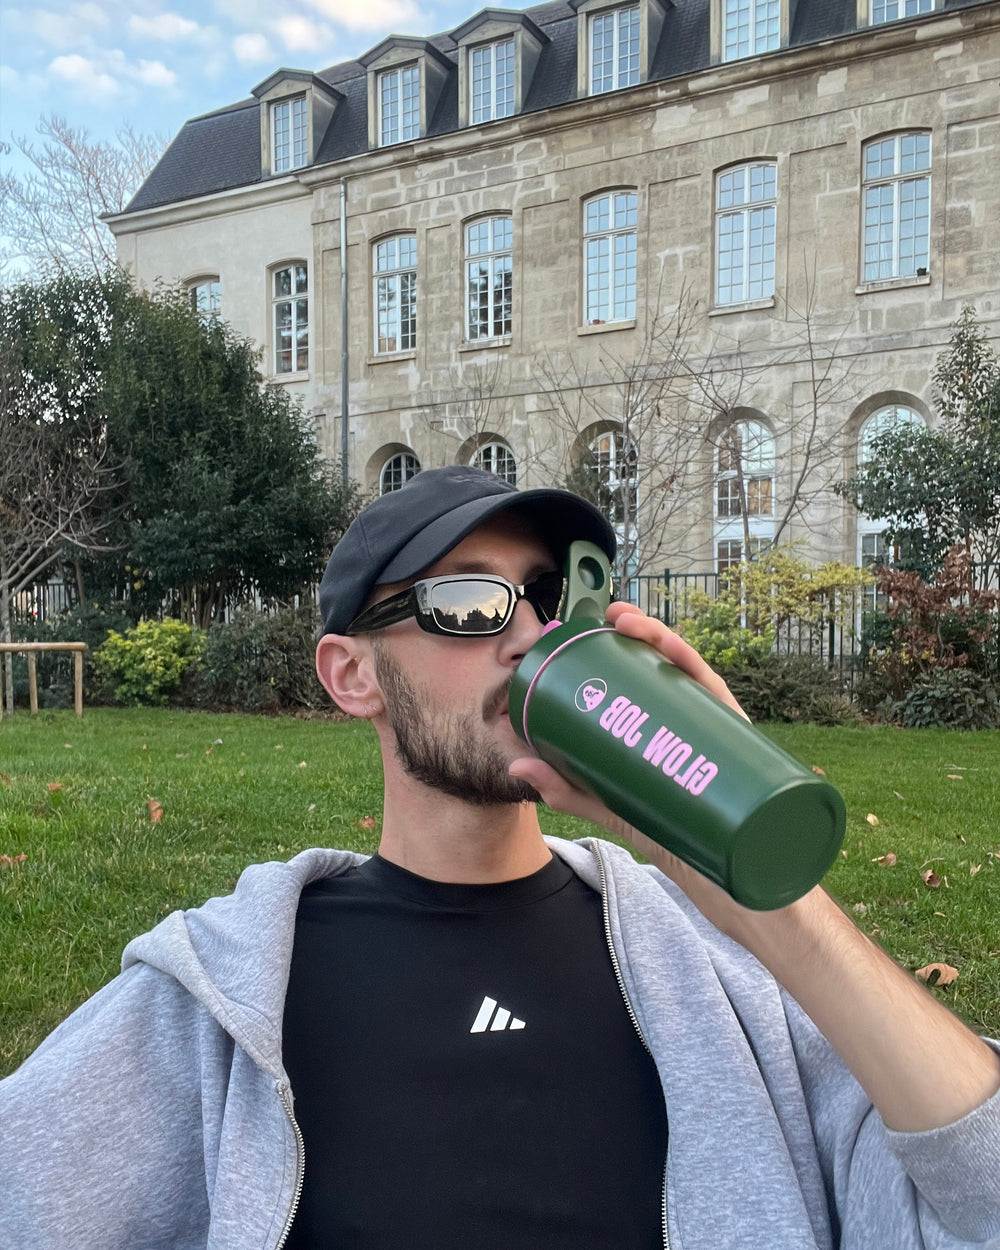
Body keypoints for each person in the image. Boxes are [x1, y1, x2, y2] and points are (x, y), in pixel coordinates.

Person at [1, 465, 998, 1250]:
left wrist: (755, 889)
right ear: (351, 675)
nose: (525, 634)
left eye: (545, 597)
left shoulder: (712, 974)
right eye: (469, 603)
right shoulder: (224, 988)